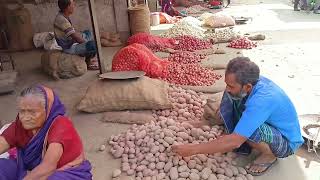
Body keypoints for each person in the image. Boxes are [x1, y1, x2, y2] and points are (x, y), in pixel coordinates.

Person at [172, 57, 304, 176]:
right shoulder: (252, 81)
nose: (227, 88)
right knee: (231, 97)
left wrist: (193, 149)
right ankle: (232, 127)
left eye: (231, 85)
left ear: (247, 86)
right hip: (268, 120)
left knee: (249, 131)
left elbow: (235, 142)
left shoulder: (262, 100)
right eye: (227, 83)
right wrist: (223, 109)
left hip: (287, 141)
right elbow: (230, 93)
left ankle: (269, 155)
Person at [0, 85, 92, 180]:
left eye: (32, 112)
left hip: (65, 173)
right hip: (29, 170)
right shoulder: (20, 125)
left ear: (47, 110)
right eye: (22, 111)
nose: (25, 117)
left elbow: (48, 167)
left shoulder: (60, 125)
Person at [54, 0, 99, 70]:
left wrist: (84, 38)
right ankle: (88, 62)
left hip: (72, 42)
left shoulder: (63, 16)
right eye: (73, 4)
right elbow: (76, 37)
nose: (74, 6)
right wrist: (87, 42)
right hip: (69, 47)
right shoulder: (61, 20)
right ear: (68, 7)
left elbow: (73, 33)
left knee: (88, 32)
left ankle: (88, 54)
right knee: (93, 45)